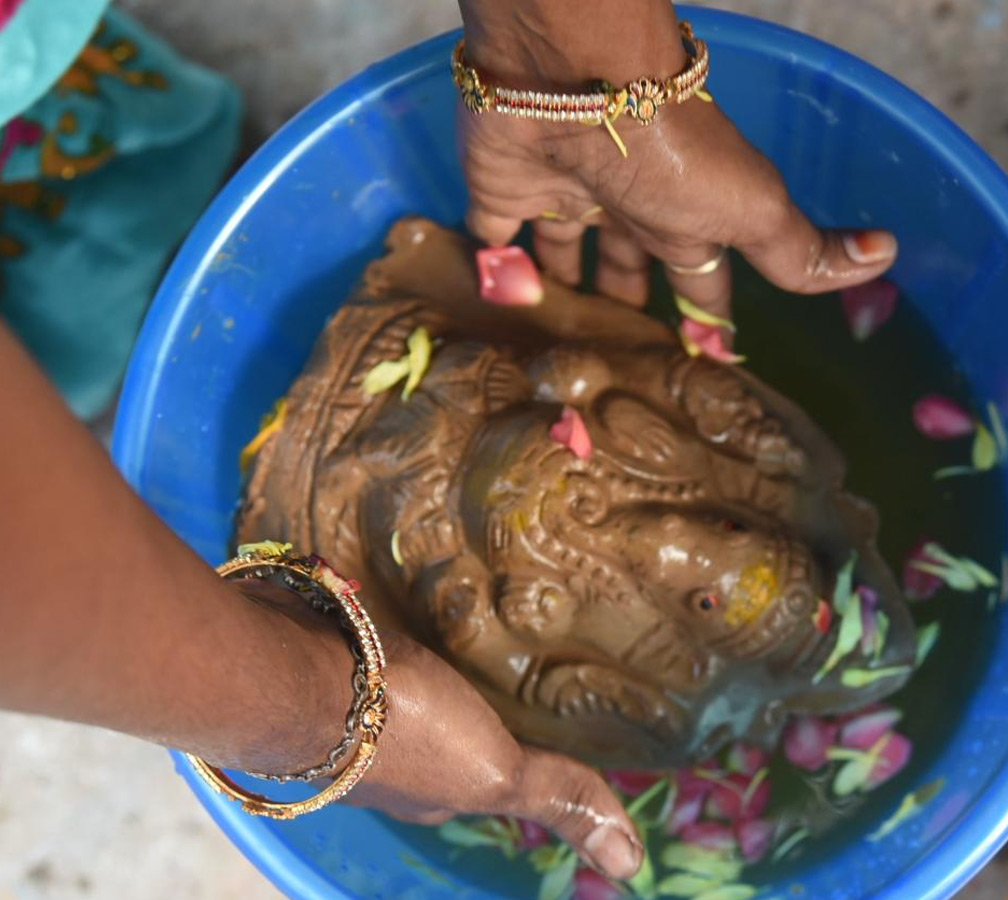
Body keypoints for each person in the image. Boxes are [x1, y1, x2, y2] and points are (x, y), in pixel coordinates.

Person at [0, 0, 896, 883]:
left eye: (703, 599)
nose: (686, 539)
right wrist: (320, 718)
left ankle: (44, 100)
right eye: (730, 536)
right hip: (449, 412)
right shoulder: (685, 461)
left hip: (422, 511)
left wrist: (573, 59)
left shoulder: (647, 683)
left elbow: (528, 668)